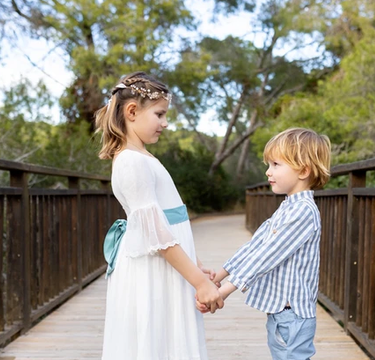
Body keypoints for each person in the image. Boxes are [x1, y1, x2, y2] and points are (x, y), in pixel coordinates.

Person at [96, 71, 223, 360]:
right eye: (160, 114)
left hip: (166, 266)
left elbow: (168, 220)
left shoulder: (143, 157)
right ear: (131, 111)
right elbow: (156, 233)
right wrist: (200, 283)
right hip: (153, 269)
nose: (165, 123)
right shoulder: (130, 161)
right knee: (157, 343)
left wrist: (195, 265)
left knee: (168, 341)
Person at [198, 128, 331, 360]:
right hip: (282, 313)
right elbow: (257, 245)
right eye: (268, 164)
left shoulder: (303, 212)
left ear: (304, 170)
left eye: (276, 165)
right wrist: (219, 276)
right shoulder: (289, 206)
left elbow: (266, 256)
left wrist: (226, 290)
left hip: (293, 316)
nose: (268, 172)